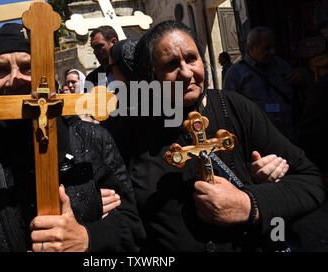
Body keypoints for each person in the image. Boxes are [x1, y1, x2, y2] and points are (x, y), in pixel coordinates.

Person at [0, 23, 144, 252]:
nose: (15, 79)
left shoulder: (93, 139)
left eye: (28, 67)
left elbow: (132, 228)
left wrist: (87, 237)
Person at [118, 20, 325, 251]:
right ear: (150, 76)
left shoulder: (237, 109)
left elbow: (310, 181)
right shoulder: (130, 132)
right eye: (170, 64)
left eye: (191, 58)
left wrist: (249, 204)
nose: (186, 73)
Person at [223, 27, 293, 138]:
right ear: (251, 48)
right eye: (266, 48)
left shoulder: (281, 65)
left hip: (289, 134)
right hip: (262, 139)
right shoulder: (235, 74)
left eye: (273, 46)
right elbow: (229, 109)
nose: (272, 51)